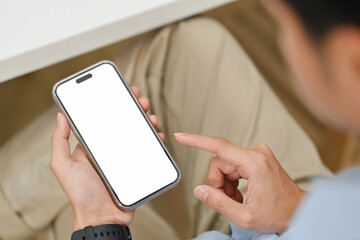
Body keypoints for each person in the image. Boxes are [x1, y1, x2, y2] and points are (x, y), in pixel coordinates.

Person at [48, 0, 357, 239]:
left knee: (49, 201)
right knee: (190, 43)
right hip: (298, 214)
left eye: (283, 25)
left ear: (351, 59)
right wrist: (297, 207)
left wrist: (98, 221)